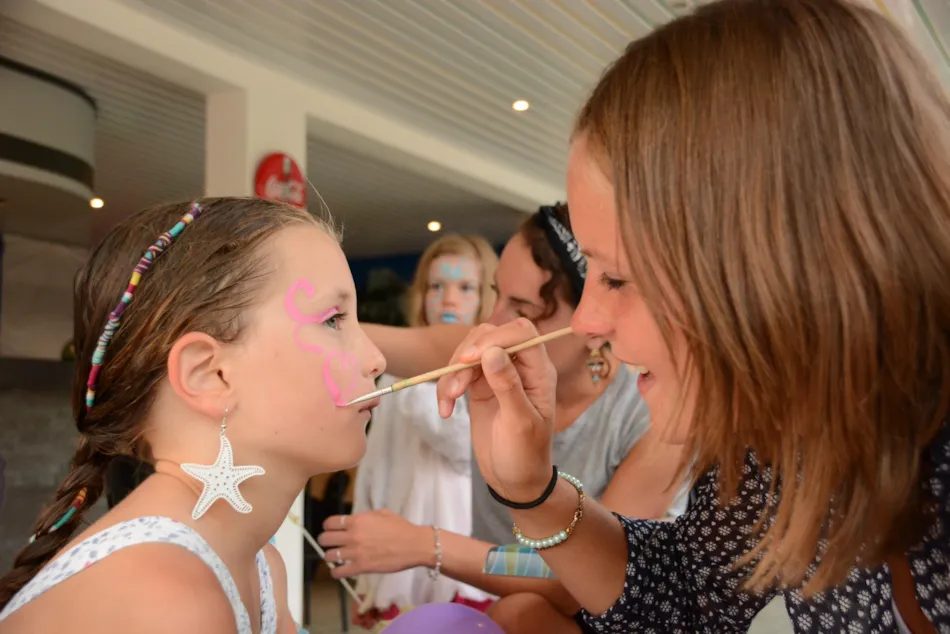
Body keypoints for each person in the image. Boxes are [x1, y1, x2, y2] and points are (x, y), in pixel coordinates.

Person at [427, 1, 950, 632]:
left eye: (617, 277)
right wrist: (531, 488)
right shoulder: (775, 447)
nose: (590, 321)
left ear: (775, 266)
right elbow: (691, 596)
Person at [0, 197, 386, 633]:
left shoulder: (261, 566)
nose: (375, 358)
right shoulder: (166, 598)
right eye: (333, 320)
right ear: (210, 374)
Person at [320, 204, 689, 634]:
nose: (492, 323)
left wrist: (425, 544)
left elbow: (581, 583)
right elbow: (380, 344)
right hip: (500, 613)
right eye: (496, 294)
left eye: (522, 306)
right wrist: (320, 328)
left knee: (521, 613)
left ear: (590, 320)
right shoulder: (497, 346)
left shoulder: (652, 415)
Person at [351, 234, 498, 625]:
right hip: (397, 548)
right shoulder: (393, 378)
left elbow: (463, 449)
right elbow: (375, 466)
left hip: (462, 548)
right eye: (437, 286)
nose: (449, 299)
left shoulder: (490, 376)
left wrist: (418, 385)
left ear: (486, 296)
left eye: (465, 288)